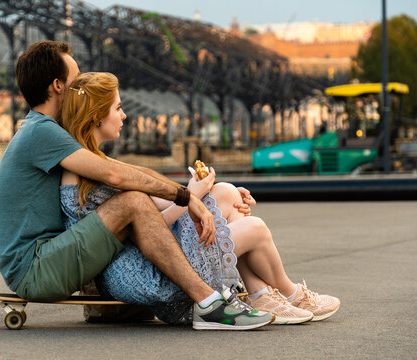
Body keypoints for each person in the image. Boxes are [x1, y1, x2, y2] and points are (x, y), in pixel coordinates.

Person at [0, 40, 274, 331]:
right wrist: (184, 196)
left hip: (49, 258)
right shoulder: (43, 131)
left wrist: (188, 194)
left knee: (142, 199)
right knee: (134, 202)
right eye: (76, 81)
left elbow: (123, 171)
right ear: (58, 86)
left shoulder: (45, 129)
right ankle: (209, 303)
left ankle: (257, 294)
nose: (83, 87)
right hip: (35, 268)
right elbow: (115, 176)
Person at [59, 71, 340, 325]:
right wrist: (192, 196)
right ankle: (289, 293)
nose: (124, 116)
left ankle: (260, 294)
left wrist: (197, 192)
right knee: (256, 228)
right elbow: (145, 231)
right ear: (96, 114)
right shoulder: (89, 170)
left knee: (227, 192)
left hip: (142, 259)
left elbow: (152, 210)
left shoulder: (95, 162)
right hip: (141, 273)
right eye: (118, 108)